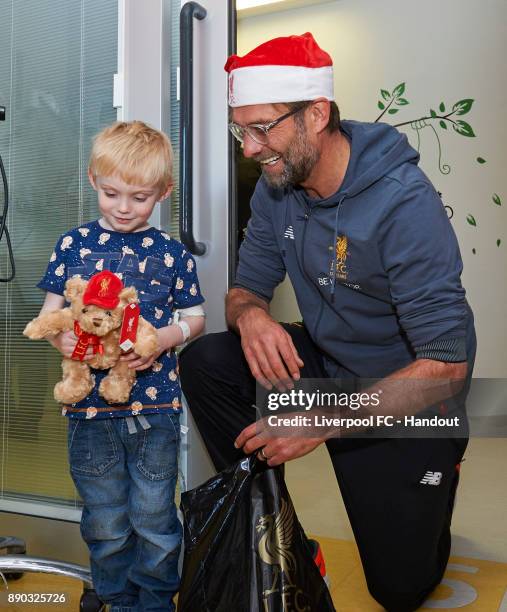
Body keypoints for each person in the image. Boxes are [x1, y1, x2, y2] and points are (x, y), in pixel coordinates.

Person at [180, 33, 476, 611]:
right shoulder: (277, 187)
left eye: (263, 127)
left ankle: (441, 471)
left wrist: (320, 421)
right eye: (241, 129)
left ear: (316, 114)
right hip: (327, 362)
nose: (249, 148)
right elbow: (244, 289)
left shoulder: (402, 203)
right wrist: (253, 318)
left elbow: (448, 365)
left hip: (409, 392)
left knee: (400, 590)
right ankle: (273, 531)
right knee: (208, 361)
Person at [36, 121, 205, 612]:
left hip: (155, 410)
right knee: (105, 520)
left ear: (164, 193)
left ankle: (154, 602)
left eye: (140, 197)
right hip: (89, 414)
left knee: (155, 518)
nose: (124, 207)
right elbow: (51, 315)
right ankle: (115, 599)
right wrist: (62, 335)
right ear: (93, 180)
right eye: (112, 193)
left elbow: (196, 319)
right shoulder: (73, 246)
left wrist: (165, 341)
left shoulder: (173, 254)